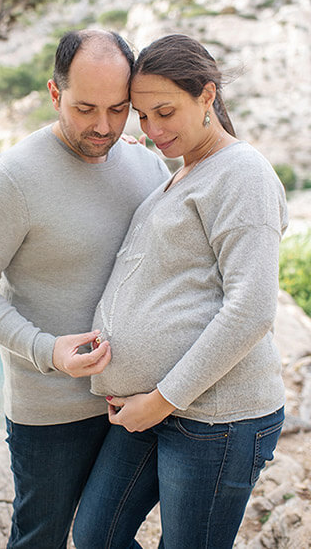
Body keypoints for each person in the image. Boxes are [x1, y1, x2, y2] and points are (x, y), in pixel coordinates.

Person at [0, 29, 169, 548]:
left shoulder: (146, 163)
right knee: (40, 539)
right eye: (84, 108)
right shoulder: (12, 178)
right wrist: (46, 350)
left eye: (118, 109)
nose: (102, 126)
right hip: (52, 413)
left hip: (134, 404)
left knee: (107, 537)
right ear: (54, 94)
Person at [72, 34, 287, 548]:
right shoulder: (185, 171)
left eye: (165, 111)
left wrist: (162, 400)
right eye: (143, 116)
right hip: (154, 408)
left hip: (218, 418)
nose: (153, 129)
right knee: (96, 535)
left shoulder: (243, 174)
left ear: (207, 96)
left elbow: (252, 308)